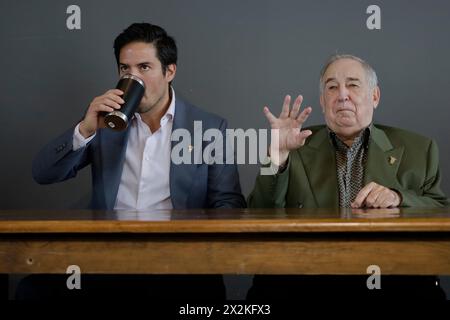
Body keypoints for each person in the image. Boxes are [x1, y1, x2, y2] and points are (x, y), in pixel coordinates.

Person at [21, 22, 246, 300]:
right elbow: (42, 173)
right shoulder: (105, 122)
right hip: (106, 259)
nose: (133, 78)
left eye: (144, 67)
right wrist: (85, 130)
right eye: (125, 69)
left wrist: (194, 247)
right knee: (31, 289)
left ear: (170, 71)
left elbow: (229, 204)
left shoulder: (209, 127)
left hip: (178, 263)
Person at [247, 54, 448, 299]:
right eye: (332, 87)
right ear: (322, 101)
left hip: (392, 279)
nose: (342, 94)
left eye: (353, 84)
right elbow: (259, 212)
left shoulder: (419, 149)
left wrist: (398, 197)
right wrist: (276, 156)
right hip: (306, 281)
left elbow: (439, 209)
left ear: (374, 96)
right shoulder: (294, 145)